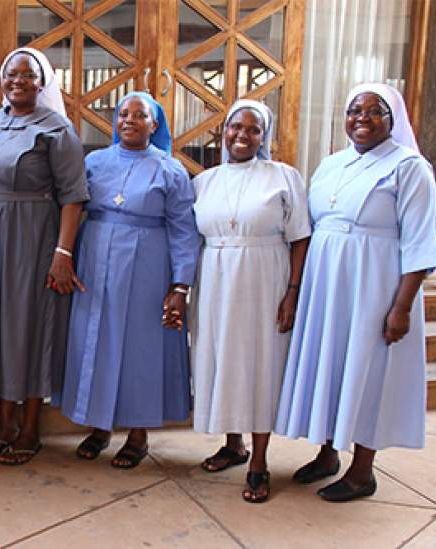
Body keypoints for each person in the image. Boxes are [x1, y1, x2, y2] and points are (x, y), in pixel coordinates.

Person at [276, 83, 436, 501]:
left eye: (374, 110)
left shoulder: (409, 167)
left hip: (377, 283)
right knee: (333, 363)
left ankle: (362, 470)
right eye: (354, 110)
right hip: (328, 281)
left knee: (368, 372)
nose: (362, 118)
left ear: (393, 117)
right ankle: (327, 453)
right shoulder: (332, 164)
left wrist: (401, 307)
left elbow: (419, 243)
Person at [56, 92, 199, 468]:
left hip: (147, 266)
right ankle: (99, 427)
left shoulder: (170, 170)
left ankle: (137, 434)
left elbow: (184, 230)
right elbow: (72, 206)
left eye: (140, 115)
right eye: (123, 114)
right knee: (95, 340)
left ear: (155, 125)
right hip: (95, 257)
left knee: (140, 347)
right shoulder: (95, 162)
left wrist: (180, 286)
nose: (129, 120)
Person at [0, 47, 89, 465]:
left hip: (34, 238)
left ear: (42, 82)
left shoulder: (57, 129)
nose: (18, 81)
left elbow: (73, 197)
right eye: (11, 74)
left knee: (30, 328)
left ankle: (31, 427)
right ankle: (3, 423)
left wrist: (63, 252)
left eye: (28, 75)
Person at [190, 100, 311, 502]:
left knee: (260, 362)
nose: (242, 135)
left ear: (265, 135)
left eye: (253, 129)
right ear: (222, 132)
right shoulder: (204, 181)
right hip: (215, 279)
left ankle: (259, 460)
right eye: (234, 127)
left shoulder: (282, 176)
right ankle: (233, 444)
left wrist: (292, 292)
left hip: (264, 278)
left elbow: (299, 238)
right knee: (223, 358)